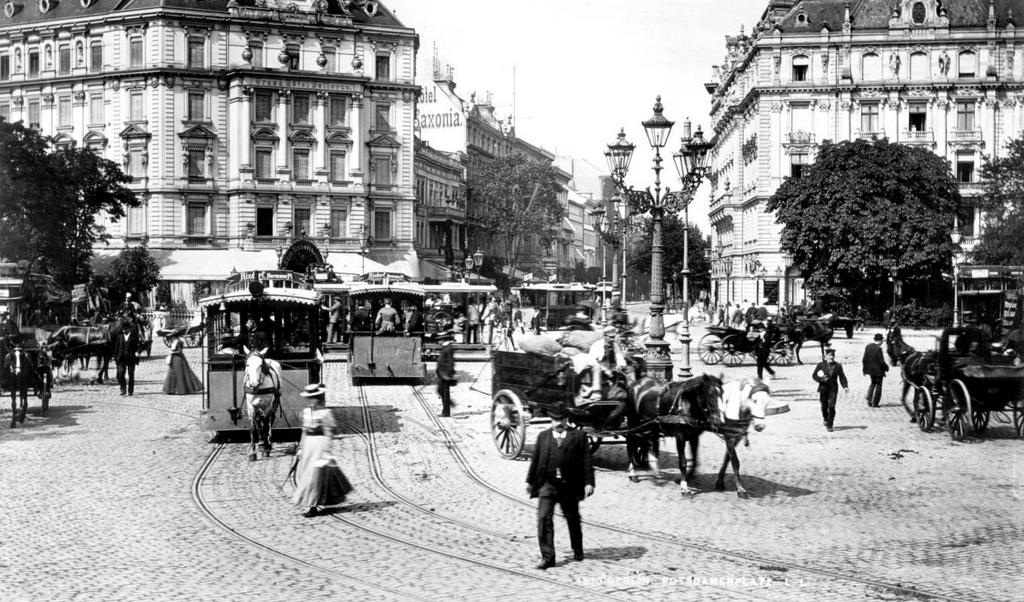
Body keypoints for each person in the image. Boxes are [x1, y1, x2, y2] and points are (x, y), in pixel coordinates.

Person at [525, 403, 595, 570]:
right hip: (547, 485)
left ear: (566, 419)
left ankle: (577, 548)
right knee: (543, 519)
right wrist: (530, 481)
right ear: (551, 419)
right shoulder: (543, 436)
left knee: (572, 518)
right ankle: (548, 557)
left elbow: (587, 461)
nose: (558, 423)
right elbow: (536, 460)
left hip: (569, 486)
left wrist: (589, 483)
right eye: (555, 419)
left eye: (561, 419)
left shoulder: (578, 436)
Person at [290, 384, 353, 517]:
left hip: (320, 446)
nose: (310, 401)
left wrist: (325, 450)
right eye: (308, 399)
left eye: (313, 398)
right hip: (308, 447)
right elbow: (304, 431)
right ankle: (325, 499)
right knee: (310, 474)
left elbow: (329, 432)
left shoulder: (325, 413)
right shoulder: (305, 413)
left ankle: (313, 506)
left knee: (314, 476)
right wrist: (301, 448)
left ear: (318, 399)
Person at [812, 348, 848, 432]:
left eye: (832, 356)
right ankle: (825, 418)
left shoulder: (838, 366)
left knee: (831, 406)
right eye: (829, 356)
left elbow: (842, 376)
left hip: (833, 389)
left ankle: (830, 424)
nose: (831, 358)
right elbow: (814, 375)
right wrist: (820, 379)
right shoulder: (821, 365)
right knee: (824, 406)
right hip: (823, 388)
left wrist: (845, 386)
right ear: (825, 357)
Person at [4, 336, 34, 410]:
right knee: (6, 359)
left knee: (28, 358)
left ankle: (32, 374)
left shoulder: (18, 333)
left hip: (21, 348)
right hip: (11, 349)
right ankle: (5, 377)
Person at [112, 318, 140, 396]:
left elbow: (138, 346)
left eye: (126, 329)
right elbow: (116, 347)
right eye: (123, 329)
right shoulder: (119, 337)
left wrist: (137, 352)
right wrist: (115, 357)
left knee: (131, 375)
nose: (124, 331)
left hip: (131, 358)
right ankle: (123, 389)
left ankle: (130, 391)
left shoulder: (134, 337)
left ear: (129, 329)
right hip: (121, 358)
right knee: (121, 374)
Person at [862, 333, 888, 408]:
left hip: (870, 370)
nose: (883, 342)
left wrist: (864, 370)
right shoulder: (878, 349)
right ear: (879, 341)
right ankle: (875, 402)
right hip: (878, 371)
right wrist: (886, 368)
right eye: (882, 340)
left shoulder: (868, 346)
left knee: (873, 383)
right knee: (879, 386)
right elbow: (881, 361)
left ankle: (869, 398)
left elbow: (864, 359)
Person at [435, 331, 457, 417]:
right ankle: (449, 404)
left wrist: (449, 374)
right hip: (442, 373)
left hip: (445, 374)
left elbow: (451, 362)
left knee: (444, 392)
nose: (438, 341)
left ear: (443, 339)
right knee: (441, 391)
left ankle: (446, 412)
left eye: (439, 340)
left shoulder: (448, 348)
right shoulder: (446, 347)